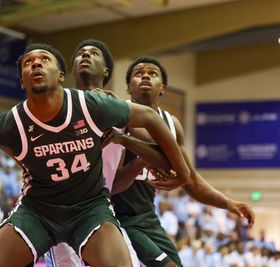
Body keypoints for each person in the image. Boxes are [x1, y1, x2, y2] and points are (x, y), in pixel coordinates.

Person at [0, 43, 189, 267]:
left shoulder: (90, 105)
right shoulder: (15, 122)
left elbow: (149, 117)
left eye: (44, 59)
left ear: (60, 76)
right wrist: (21, 157)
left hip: (90, 208)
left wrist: (183, 172)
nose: (36, 63)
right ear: (22, 81)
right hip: (38, 210)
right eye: (29, 62)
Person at [107, 56, 256, 266]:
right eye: (139, 73)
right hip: (115, 214)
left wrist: (228, 203)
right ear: (129, 86)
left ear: (162, 88)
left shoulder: (171, 124)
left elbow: (192, 180)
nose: (146, 77)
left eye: (152, 73)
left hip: (147, 216)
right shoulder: (118, 114)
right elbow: (159, 151)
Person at [45, 39, 172, 267]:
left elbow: (162, 150)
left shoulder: (118, 110)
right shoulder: (56, 104)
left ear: (106, 70)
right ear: (72, 68)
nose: (85, 55)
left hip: (100, 211)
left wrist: (139, 162)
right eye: (81, 53)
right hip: (61, 213)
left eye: (93, 53)